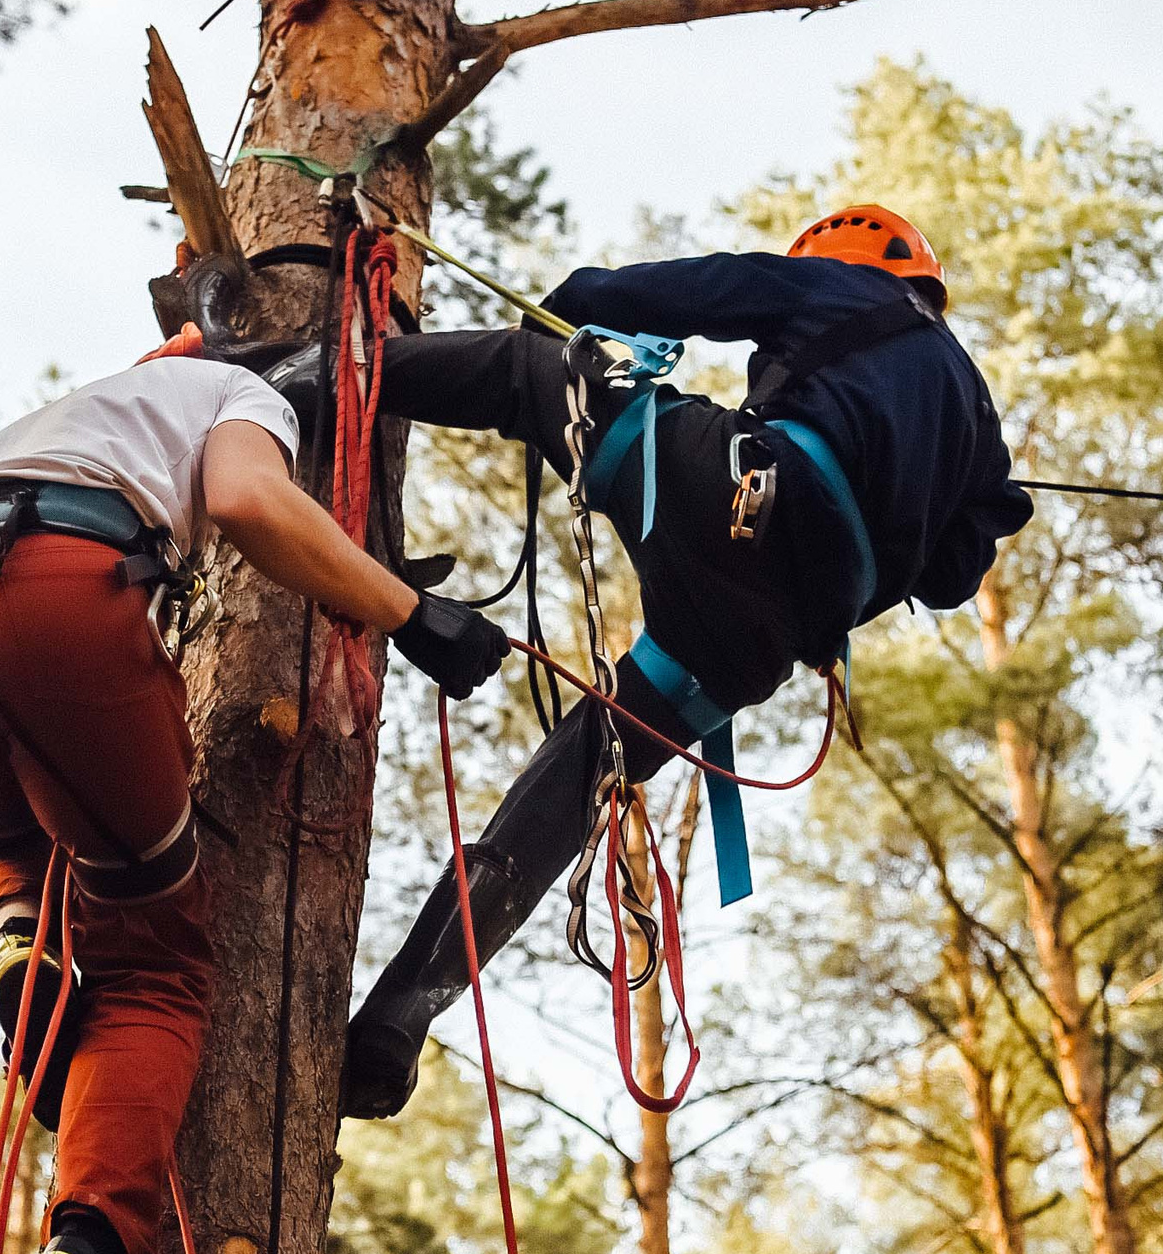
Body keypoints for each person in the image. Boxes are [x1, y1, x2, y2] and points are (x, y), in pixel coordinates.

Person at [0, 338, 507, 1254]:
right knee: (157, 960)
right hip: (52, 597)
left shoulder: (82, 403)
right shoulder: (242, 396)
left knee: (14, 819)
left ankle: (16, 930)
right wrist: (412, 614)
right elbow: (248, 500)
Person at [328, 204, 1035, 1119]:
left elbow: (707, 289)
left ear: (848, 261)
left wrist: (569, 309)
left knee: (528, 372)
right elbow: (953, 577)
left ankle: (281, 379)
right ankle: (396, 1019)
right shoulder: (976, 419)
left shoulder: (842, 284)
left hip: (727, 492)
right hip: (763, 634)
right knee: (576, 781)